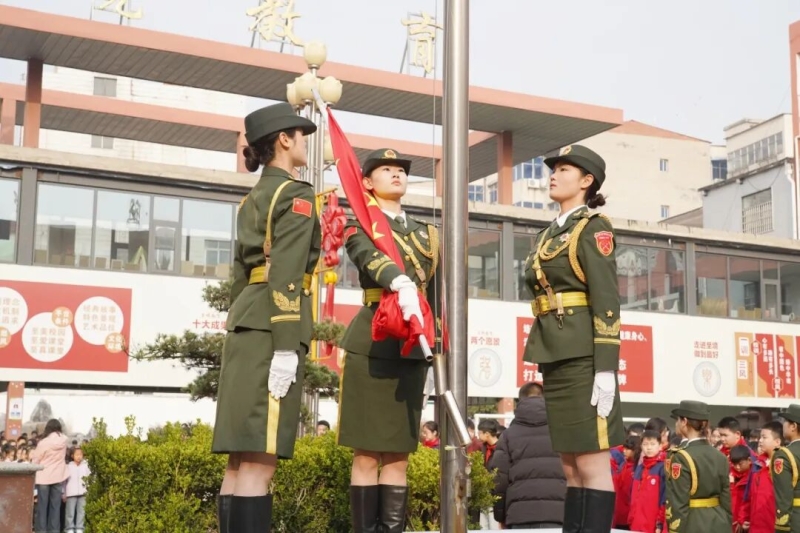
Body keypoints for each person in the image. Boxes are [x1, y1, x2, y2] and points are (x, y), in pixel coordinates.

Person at [210, 102, 321, 533]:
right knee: (261, 464)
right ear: (283, 140)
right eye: (300, 134)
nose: (305, 142)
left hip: (245, 326)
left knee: (239, 463)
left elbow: (240, 277)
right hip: (273, 328)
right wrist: (285, 346)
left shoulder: (250, 199)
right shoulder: (295, 194)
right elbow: (289, 277)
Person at [336, 148, 441, 533]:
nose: (396, 174)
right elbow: (365, 256)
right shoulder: (360, 223)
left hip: (412, 346)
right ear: (366, 182)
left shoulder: (427, 234)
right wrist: (398, 279)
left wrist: (437, 351)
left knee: (398, 455)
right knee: (366, 454)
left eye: (401, 170)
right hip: (374, 340)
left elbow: (438, 298)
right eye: (386, 170)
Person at [522, 144, 623, 532]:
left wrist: (606, 370)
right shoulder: (548, 233)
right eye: (553, 168)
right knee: (569, 465)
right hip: (556, 351)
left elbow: (607, 300)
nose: (553, 174)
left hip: (583, 354)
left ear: (586, 181)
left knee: (592, 463)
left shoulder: (594, 227)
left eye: (565, 169)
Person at [490, 381, 566, 530]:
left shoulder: (507, 435)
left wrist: (500, 515)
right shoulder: (562, 431)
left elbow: (499, 480)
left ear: (520, 401)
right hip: (558, 514)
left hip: (519, 516)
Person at [664, 400, 731, 533]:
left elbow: (679, 502)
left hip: (692, 523)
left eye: (678, 420)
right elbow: (726, 498)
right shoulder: (720, 456)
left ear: (684, 421)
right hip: (719, 522)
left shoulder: (681, 457)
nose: (676, 424)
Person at [30, 419, 69, 533]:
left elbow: (36, 459)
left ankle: (41, 530)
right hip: (58, 477)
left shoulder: (44, 442)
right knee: (55, 508)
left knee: (42, 507)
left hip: (44, 477)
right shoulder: (64, 441)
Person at [628, 430, 666, 533]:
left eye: (653, 444)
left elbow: (664, 498)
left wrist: (659, 523)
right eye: (645, 444)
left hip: (652, 524)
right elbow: (633, 495)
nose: (649, 447)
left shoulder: (663, 468)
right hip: (636, 522)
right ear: (641, 446)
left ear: (660, 446)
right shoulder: (639, 468)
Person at [772, 404, 800, 531]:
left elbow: (784, 497)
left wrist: (781, 527)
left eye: (785, 422)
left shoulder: (784, 455)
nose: (782, 425)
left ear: (793, 426)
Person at [63, 447, 91, 533]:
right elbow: (64, 480)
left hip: (83, 493)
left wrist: (89, 489)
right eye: (77, 455)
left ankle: (79, 528)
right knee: (70, 513)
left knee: (81, 512)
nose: (79, 456)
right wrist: (63, 493)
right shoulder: (68, 466)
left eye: (81, 454)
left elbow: (90, 477)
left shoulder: (86, 465)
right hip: (71, 493)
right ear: (72, 456)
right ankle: (69, 528)